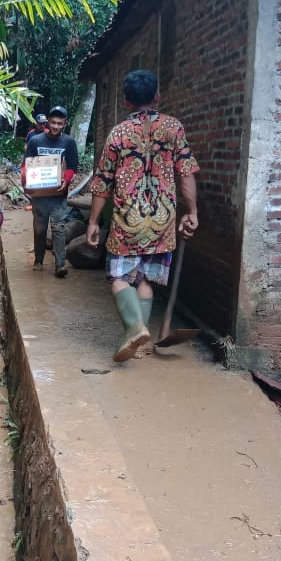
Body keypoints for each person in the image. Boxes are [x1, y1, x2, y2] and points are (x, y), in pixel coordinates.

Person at [86, 69, 199, 362]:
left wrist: (93, 221)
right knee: (146, 278)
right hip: (162, 219)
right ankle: (143, 342)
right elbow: (186, 172)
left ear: (126, 101)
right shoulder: (174, 128)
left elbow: (103, 182)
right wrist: (192, 211)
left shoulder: (119, 134)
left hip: (128, 219)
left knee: (118, 276)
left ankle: (135, 328)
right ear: (157, 96)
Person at [23, 105, 79, 276]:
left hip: (58, 194)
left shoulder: (69, 142)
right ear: (48, 122)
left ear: (65, 124)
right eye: (53, 122)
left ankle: (60, 265)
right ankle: (39, 260)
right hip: (39, 196)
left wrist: (66, 179)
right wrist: (26, 182)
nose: (56, 126)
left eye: (59, 123)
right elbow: (26, 165)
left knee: (58, 227)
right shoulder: (36, 141)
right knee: (40, 227)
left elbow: (73, 166)